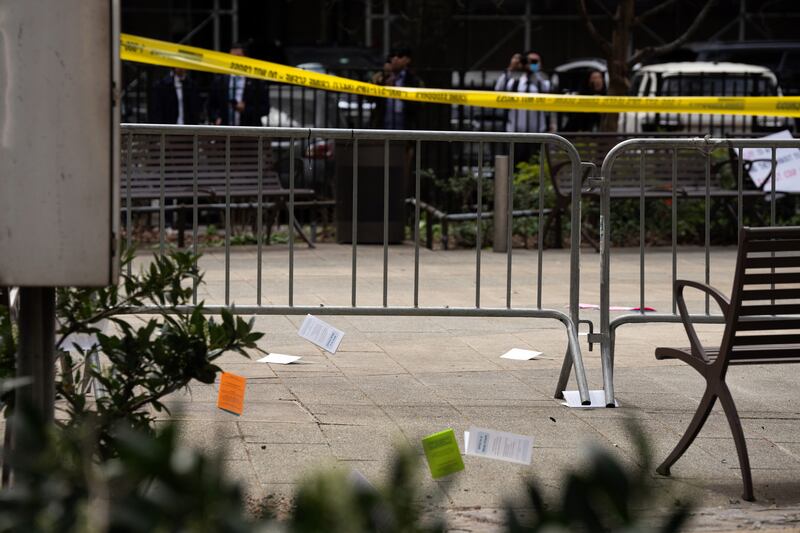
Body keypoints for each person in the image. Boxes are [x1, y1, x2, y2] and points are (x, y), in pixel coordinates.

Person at [208, 43, 268, 126]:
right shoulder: (220, 81)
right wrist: (216, 118)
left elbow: (265, 109)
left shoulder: (257, 82)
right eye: (231, 57)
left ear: (246, 58)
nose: (234, 60)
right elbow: (211, 106)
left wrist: (246, 109)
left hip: (248, 130)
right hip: (225, 130)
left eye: (238, 56)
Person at [370, 48, 422, 129]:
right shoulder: (380, 77)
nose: (395, 59)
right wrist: (381, 84)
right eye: (392, 56)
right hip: (383, 128)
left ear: (407, 60)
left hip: (406, 129)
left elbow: (419, 104)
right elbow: (369, 98)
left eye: (400, 56)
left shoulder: (413, 80)